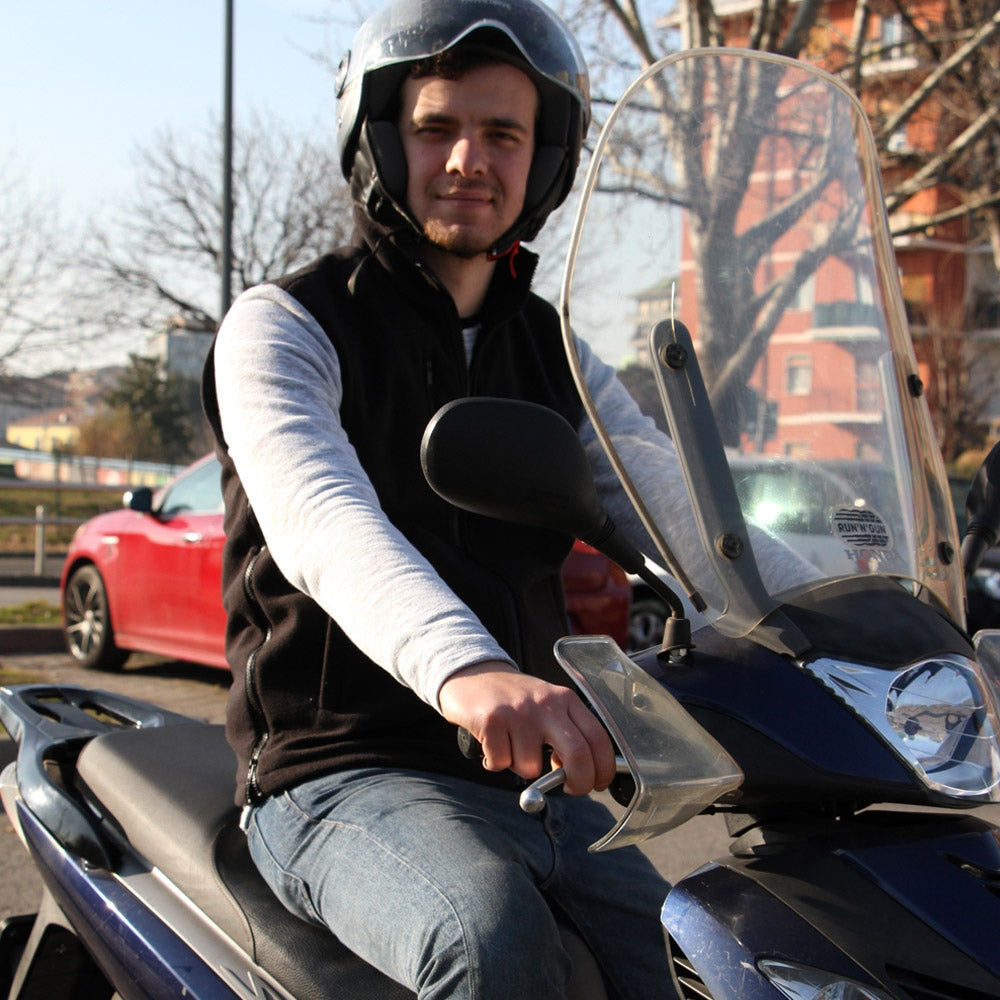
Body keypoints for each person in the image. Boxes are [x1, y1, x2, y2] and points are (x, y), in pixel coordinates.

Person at [202, 1, 685, 996]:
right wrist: (472, 670)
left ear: (543, 161)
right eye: (437, 128)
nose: (469, 159)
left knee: (706, 951)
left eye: (503, 133)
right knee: (486, 936)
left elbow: (667, 499)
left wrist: (855, 618)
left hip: (534, 776)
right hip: (337, 769)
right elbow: (324, 521)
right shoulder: (285, 326)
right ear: (382, 140)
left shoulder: (553, 352)